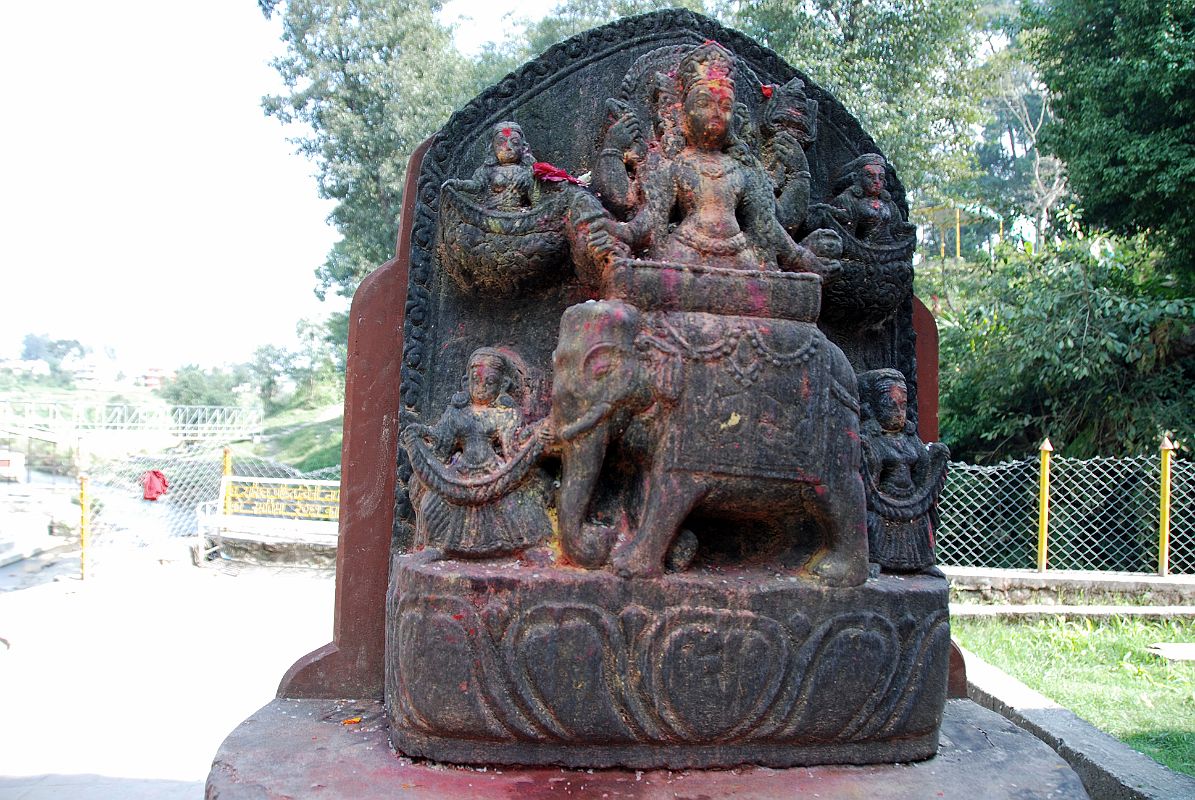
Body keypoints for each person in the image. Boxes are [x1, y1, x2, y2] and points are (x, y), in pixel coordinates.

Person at [591, 41, 832, 274]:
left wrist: (802, 257)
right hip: (684, 252)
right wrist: (621, 233)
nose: (716, 113)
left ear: (735, 116)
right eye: (705, 103)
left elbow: (769, 227)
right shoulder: (673, 166)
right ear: (681, 112)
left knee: (796, 292)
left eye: (725, 105)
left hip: (741, 257)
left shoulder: (744, 169)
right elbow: (650, 222)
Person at [402, 347, 552, 557]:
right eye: (476, 381)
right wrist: (421, 435)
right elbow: (440, 446)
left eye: (489, 382)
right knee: (432, 503)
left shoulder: (504, 414)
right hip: (458, 475)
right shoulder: (456, 413)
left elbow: (513, 448)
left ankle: (527, 546)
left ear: (503, 385)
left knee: (522, 501)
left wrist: (535, 437)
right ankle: (436, 546)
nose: (481, 387)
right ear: (466, 382)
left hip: (495, 473)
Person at [858, 369, 949, 574]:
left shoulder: (909, 439)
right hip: (882, 500)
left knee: (921, 519)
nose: (898, 412)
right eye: (890, 405)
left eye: (902, 405)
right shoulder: (872, 440)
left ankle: (923, 562)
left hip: (910, 498)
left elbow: (921, 471)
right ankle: (873, 558)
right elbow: (870, 479)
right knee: (872, 519)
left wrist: (935, 457)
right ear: (873, 407)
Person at [447, 121, 536, 211]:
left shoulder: (528, 170)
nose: (508, 147)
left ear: (523, 147)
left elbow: (537, 195)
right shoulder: (488, 170)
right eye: (501, 142)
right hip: (492, 210)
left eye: (515, 142)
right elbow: (476, 186)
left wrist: (529, 177)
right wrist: (459, 184)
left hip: (521, 213)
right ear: (493, 147)